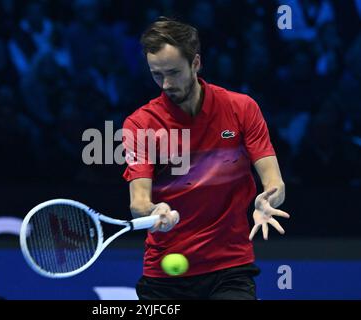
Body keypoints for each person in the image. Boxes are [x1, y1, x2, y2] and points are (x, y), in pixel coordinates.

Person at [122, 17, 290, 300]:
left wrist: (267, 198)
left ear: (196, 63)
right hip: (165, 275)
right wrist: (153, 211)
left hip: (230, 267)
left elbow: (274, 180)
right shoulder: (140, 125)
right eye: (156, 74)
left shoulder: (241, 109)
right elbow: (138, 201)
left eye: (173, 73)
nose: (165, 84)